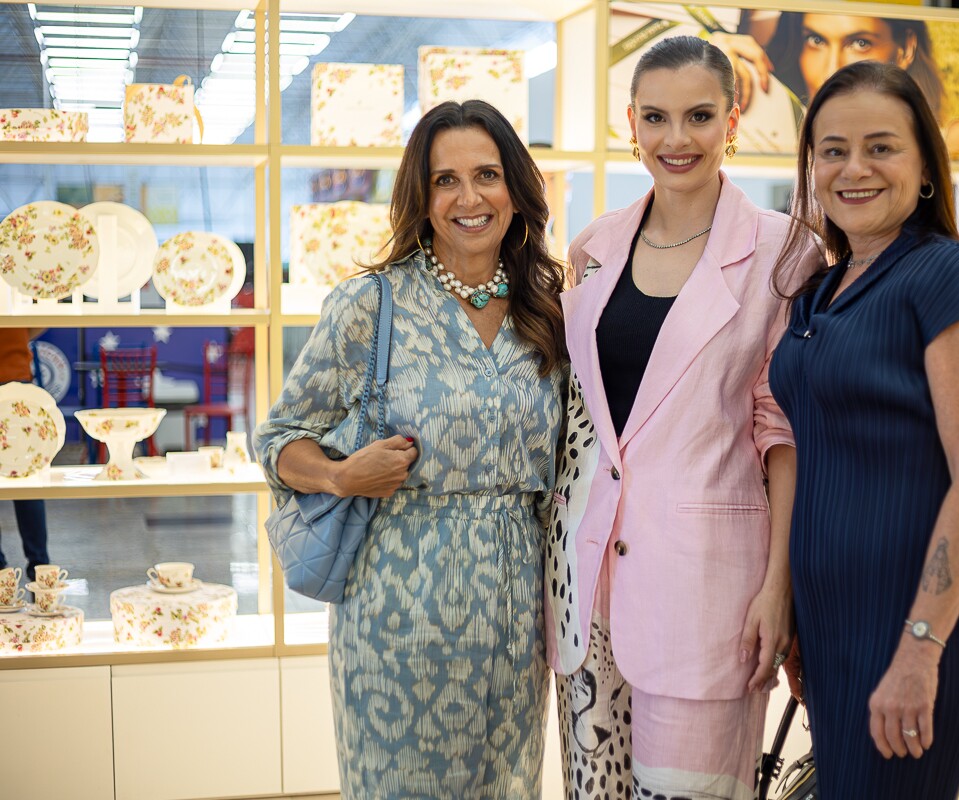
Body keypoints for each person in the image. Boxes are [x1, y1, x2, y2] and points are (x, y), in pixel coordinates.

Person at [255, 100, 566, 800]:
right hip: (398, 610)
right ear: (421, 198)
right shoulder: (371, 304)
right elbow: (277, 438)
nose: (469, 197)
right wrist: (338, 475)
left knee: (506, 785)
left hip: (517, 610)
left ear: (515, 187)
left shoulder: (546, 307)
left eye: (486, 174)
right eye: (444, 180)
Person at [546, 36, 822, 800]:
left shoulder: (785, 251)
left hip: (710, 590)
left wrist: (780, 587)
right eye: (657, 118)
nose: (677, 139)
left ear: (732, 120)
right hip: (587, 584)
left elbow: (782, 431)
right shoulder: (595, 247)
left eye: (699, 116)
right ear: (629, 123)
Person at [769, 61, 959, 798]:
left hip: (914, 625)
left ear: (925, 167)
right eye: (833, 150)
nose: (854, 168)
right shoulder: (820, 288)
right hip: (836, 625)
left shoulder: (951, 280)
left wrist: (919, 648)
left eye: (882, 147)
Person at [713, 10, 959, 162]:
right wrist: (707, 64)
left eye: (859, 43)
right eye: (815, 40)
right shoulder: (779, 134)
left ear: (906, 48)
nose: (833, 69)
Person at [0, 328, 51, 583]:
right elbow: (42, 317)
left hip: (15, 378)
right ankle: (40, 566)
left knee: (25, 480)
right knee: (27, 479)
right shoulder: (14, 287)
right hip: (17, 380)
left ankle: (1, 571)